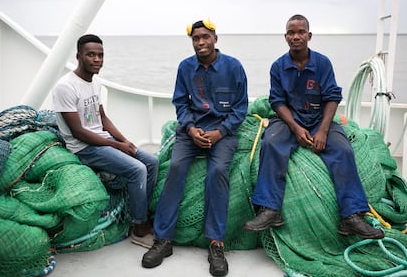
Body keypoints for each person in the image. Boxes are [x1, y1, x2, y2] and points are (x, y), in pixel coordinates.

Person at [243, 15, 384, 240]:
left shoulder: (322, 63)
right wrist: (296, 128)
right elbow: (277, 102)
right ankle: (270, 210)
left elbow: (332, 97)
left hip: (320, 118)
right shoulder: (278, 67)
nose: (296, 36)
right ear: (285, 37)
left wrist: (324, 130)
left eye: (300, 32)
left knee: (343, 150)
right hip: (289, 119)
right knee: (270, 143)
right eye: (291, 32)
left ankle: (351, 217)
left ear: (309, 35)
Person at [141, 19, 248, 276]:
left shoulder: (234, 67)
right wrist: (191, 129)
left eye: (205, 37)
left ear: (215, 39)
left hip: (223, 132)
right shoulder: (186, 67)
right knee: (176, 167)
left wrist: (219, 132)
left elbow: (240, 108)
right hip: (191, 132)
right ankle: (164, 239)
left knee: (218, 172)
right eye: (195, 39)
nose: (200, 42)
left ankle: (216, 244)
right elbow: (180, 103)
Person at [53, 34, 159, 248]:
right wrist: (117, 146)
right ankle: (140, 228)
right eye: (90, 54)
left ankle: (138, 213)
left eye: (100, 55)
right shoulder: (66, 86)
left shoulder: (96, 83)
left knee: (151, 162)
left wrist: (125, 141)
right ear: (78, 56)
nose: (96, 59)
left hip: (102, 140)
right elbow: (78, 132)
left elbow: (102, 118)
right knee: (137, 169)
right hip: (83, 148)